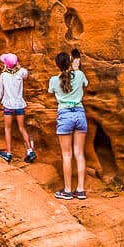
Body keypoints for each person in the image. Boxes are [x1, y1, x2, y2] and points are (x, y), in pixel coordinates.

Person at [48, 51, 89, 200]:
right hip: (79, 113)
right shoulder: (79, 75)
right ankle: (80, 190)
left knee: (67, 155)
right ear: (70, 62)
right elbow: (86, 84)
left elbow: (51, 91)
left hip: (65, 115)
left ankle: (67, 190)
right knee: (79, 153)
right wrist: (76, 69)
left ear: (57, 65)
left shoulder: (53, 80)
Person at [0, 53, 37, 164]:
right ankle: (29, 151)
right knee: (21, 128)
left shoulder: (3, 75)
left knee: (8, 129)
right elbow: (26, 73)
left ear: (6, 64)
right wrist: (18, 66)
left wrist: (1, 98)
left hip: (8, 105)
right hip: (19, 105)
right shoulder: (21, 72)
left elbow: (0, 93)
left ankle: (9, 154)